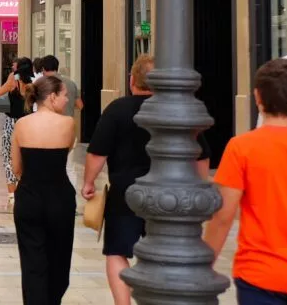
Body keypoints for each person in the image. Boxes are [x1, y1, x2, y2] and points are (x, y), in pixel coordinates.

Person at [82, 54, 211, 305]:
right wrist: (198, 186)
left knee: (117, 252)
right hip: (171, 196)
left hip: (126, 194)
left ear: (132, 80)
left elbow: (97, 152)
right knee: (168, 252)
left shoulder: (117, 109)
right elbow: (202, 155)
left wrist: (88, 183)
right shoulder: (177, 110)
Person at [204, 58, 287, 304]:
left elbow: (223, 216)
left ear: (257, 96)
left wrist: (205, 262)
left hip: (259, 274)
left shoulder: (242, 148)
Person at [12, 75, 77, 304]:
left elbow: (16, 168)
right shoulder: (68, 123)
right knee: (58, 257)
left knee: (32, 260)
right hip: (59, 197)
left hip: (29, 196)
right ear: (52, 97)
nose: (67, 99)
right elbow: (67, 149)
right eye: (64, 95)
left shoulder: (21, 124)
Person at [0, 57, 31, 205]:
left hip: (12, 123)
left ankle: (12, 195)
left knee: (9, 158)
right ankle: (24, 190)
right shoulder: (35, 81)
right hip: (29, 124)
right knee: (26, 157)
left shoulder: (15, 78)